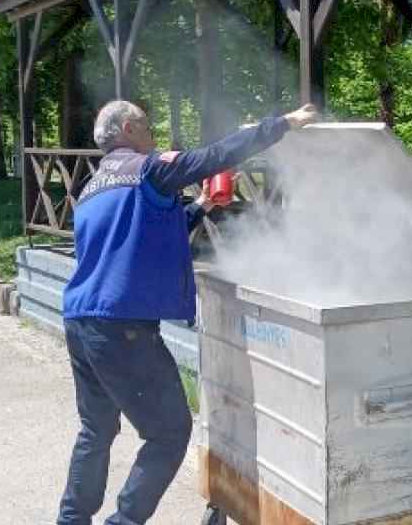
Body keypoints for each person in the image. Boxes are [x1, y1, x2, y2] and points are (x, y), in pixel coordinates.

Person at [57, 99, 317, 525]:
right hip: (124, 328)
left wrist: (200, 209)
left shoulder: (92, 187)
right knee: (170, 433)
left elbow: (139, 236)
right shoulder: (148, 168)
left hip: (80, 321)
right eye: (145, 126)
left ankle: (70, 520)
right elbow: (215, 156)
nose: (152, 134)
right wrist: (283, 124)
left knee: (96, 431)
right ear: (126, 129)